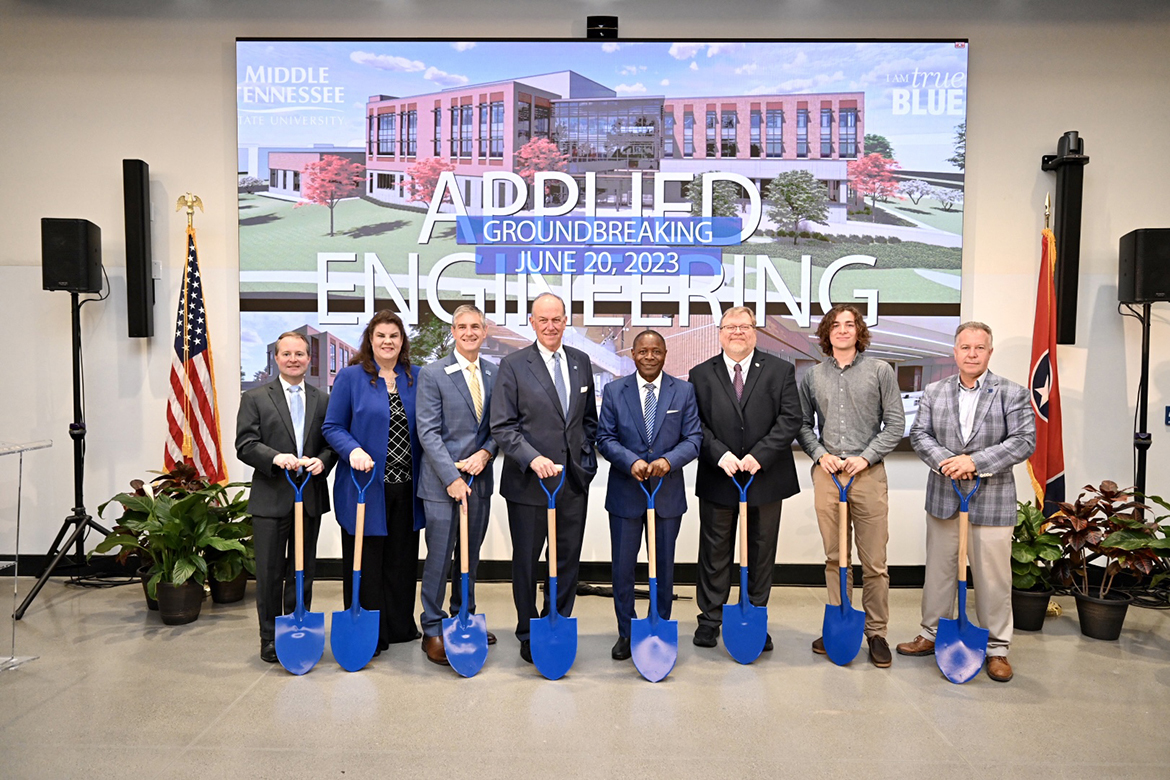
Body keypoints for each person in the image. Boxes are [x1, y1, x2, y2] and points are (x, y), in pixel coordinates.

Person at [896, 321, 1035, 683]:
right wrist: (949, 462)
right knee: (939, 573)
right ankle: (930, 634)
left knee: (993, 578)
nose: (972, 354)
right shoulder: (934, 391)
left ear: (990, 352)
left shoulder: (1011, 392)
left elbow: (1023, 441)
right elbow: (920, 434)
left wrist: (974, 462)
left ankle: (997, 648)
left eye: (980, 348)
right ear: (954, 352)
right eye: (965, 347)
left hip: (991, 500)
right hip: (945, 495)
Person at [490, 292, 598, 664]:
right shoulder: (514, 364)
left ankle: (557, 621)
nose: (551, 326)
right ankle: (527, 628)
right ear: (532, 323)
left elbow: (588, 421)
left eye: (557, 319)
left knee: (567, 558)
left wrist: (585, 463)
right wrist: (533, 459)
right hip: (528, 483)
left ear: (566, 321)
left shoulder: (581, 362)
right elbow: (502, 426)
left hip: (571, 483)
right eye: (543, 320)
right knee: (526, 561)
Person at [796, 304, 904, 668]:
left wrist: (867, 456)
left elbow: (895, 424)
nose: (843, 330)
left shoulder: (880, 371)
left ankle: (876, 633)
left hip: (868, 474)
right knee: (835, 557)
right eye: (836, 325)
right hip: (828, 475)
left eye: (850, 324)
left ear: (859, 331)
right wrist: (819, 454)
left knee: (874, 561)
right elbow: (802, 424)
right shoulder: (812, 376)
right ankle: (839, 625)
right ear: (827, 333)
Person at [688, 306, 802, 651]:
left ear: (755, 331)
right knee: (714, 551)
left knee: (761, 550)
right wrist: (720, 453)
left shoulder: (780, 370)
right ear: (720, 332)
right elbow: (696, 423)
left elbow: (790, 419)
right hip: (718, 473)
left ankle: (755, 617)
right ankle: (710, 619)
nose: (737, 332)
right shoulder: (700, 373)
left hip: (766, 477)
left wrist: (759, 456)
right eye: (730, 326)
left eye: (744, 326)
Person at [323, 310, 424, 653]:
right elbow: (332, 426)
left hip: (407, 488)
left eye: (394, 336)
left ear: (402, 341)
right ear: (370, 340)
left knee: (402, 560)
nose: (387, 342)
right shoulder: (351, 378)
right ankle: (370, 633)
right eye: (381, 335)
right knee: (366, 561)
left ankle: (399, 627)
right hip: (365, 487)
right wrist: (352, 451)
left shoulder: (416, 377)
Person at [596, 330, 702, 661]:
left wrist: (668, 461)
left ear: (666, 353)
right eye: (643, 351)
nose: (650, 356)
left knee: (664, 569)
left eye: (656, 351)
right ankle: (627, 633)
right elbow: (605, 437)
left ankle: (659, 627)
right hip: (626, 494)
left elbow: (694, 437)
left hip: (667, 494)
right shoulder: (614, 391)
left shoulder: (683, 391)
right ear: (633, 354)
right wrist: (632, 462)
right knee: (622, 570)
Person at [235, 331, 337, 663]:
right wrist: (275, 458)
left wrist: (323, 460)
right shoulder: (255, 397)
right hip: (270, 497)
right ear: (276, 358)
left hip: (308, 498)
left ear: (310, 359)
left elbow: (331, 441)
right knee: (268, 572)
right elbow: (245, 444)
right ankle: (268, 636)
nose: (294, 359)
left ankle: (297, 627)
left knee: (302, 570)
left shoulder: (323, 399)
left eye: (300, 354)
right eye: (287, 354)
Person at [415, 304, 499, 666]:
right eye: (462, 327)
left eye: (475, 327)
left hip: (479, 482)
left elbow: (501, 426)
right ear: (453, 331)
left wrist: (486, 454)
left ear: (485, 331)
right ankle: (432, 628)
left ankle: (464, 616)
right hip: (440, 485)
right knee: (438, 560)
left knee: (470, 557)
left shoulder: (495, 373)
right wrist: (451, 477)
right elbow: (428, 431)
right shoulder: (433, 373)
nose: (469, 332)